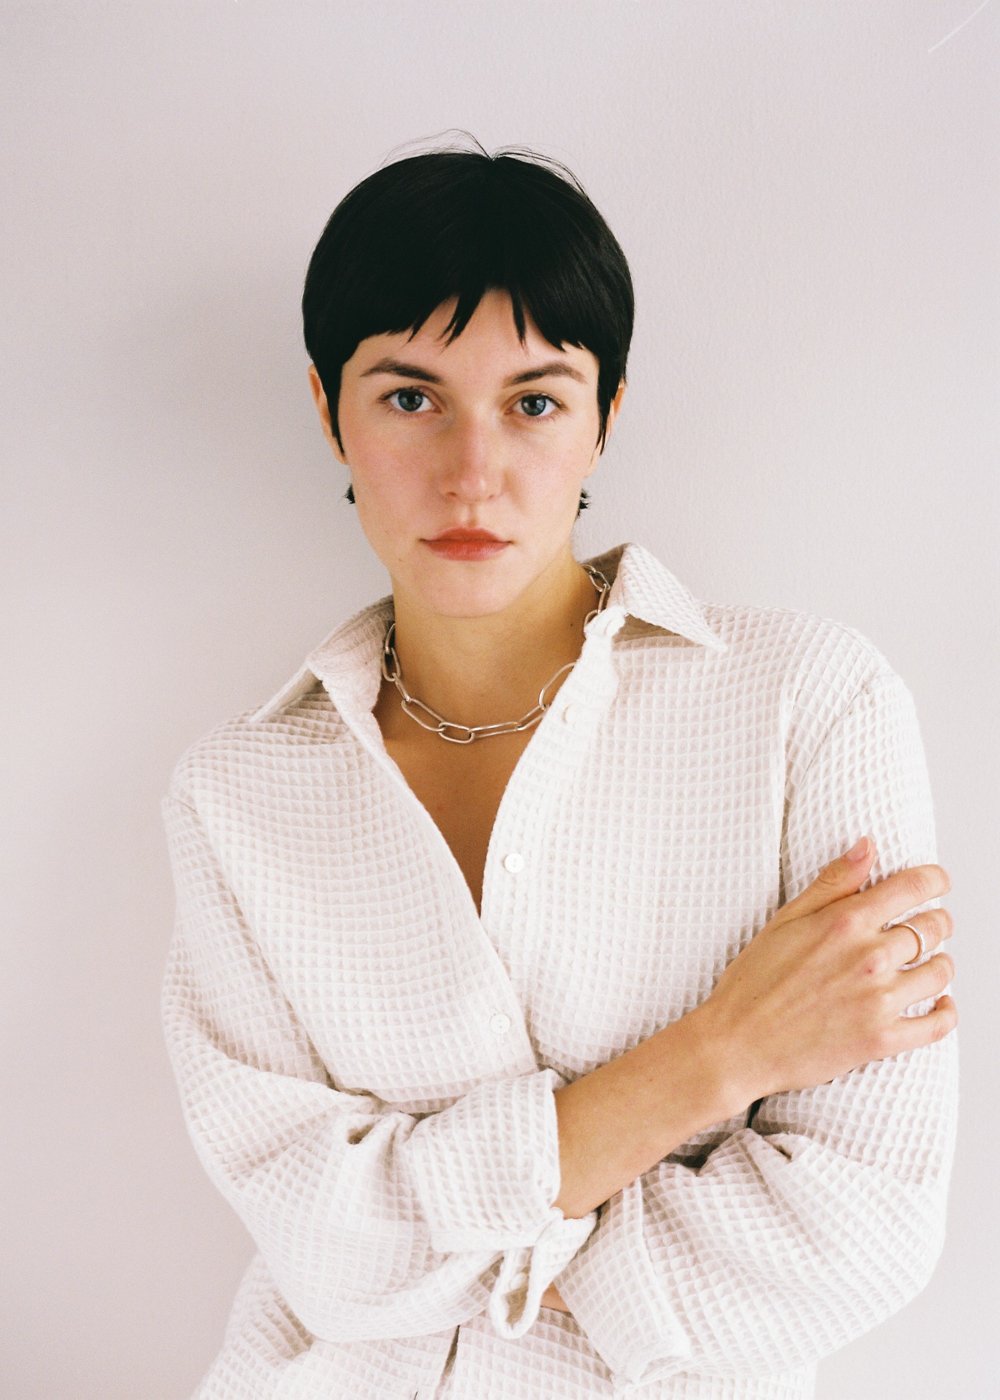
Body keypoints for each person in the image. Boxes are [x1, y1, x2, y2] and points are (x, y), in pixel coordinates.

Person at [160, 137, 959, 1399]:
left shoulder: (808, 705)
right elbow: (322, 1254)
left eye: (533, 402)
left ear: (606, 417)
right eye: (409, 397)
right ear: (327, 410)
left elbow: (861, 1223)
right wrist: (715, 1057)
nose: (471, 472)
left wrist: (437, 1231)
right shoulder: (236, 797)